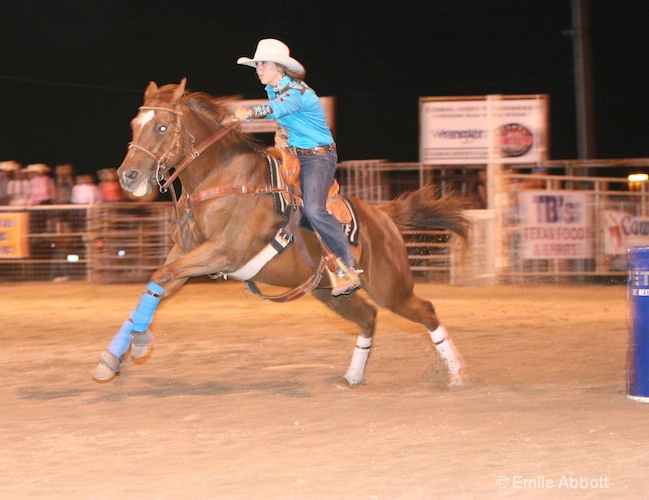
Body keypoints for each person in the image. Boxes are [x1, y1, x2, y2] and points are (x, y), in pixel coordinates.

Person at [234, 38, 360, 296]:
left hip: (318, 158)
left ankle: (347, 266)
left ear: (279, 68)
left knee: (314, 209)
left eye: (264, 63)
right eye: (257, 64)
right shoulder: (275, 90)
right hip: (296, 153)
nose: (258, 68)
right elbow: (284, 120)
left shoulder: (297, 92)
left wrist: (251, 112)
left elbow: (281, 109)